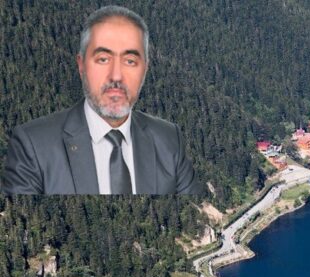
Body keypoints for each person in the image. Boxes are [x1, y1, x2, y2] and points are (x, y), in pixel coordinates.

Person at [2, 6, 202, 195]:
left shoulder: (169, 139)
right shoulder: (33, 145)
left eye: (130, 61)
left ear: (145, 69)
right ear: (81, 65)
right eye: (103, 59)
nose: (116, 76)